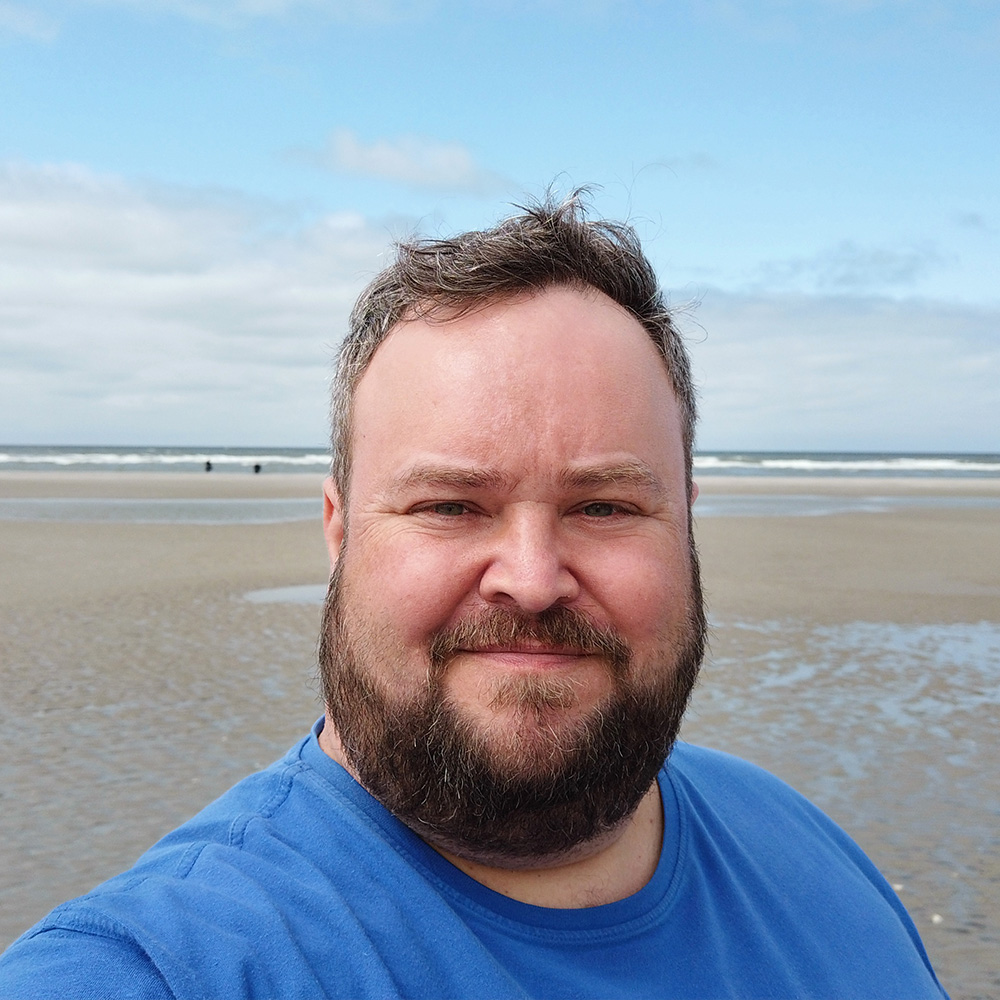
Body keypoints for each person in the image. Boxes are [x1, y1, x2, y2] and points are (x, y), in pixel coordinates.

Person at [0, 196, 948, 999]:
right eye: (450, 505)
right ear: (338, 529)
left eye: (605, 506)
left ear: (686, 525)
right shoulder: (162, 967)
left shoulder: (809, 851)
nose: (531, 580)